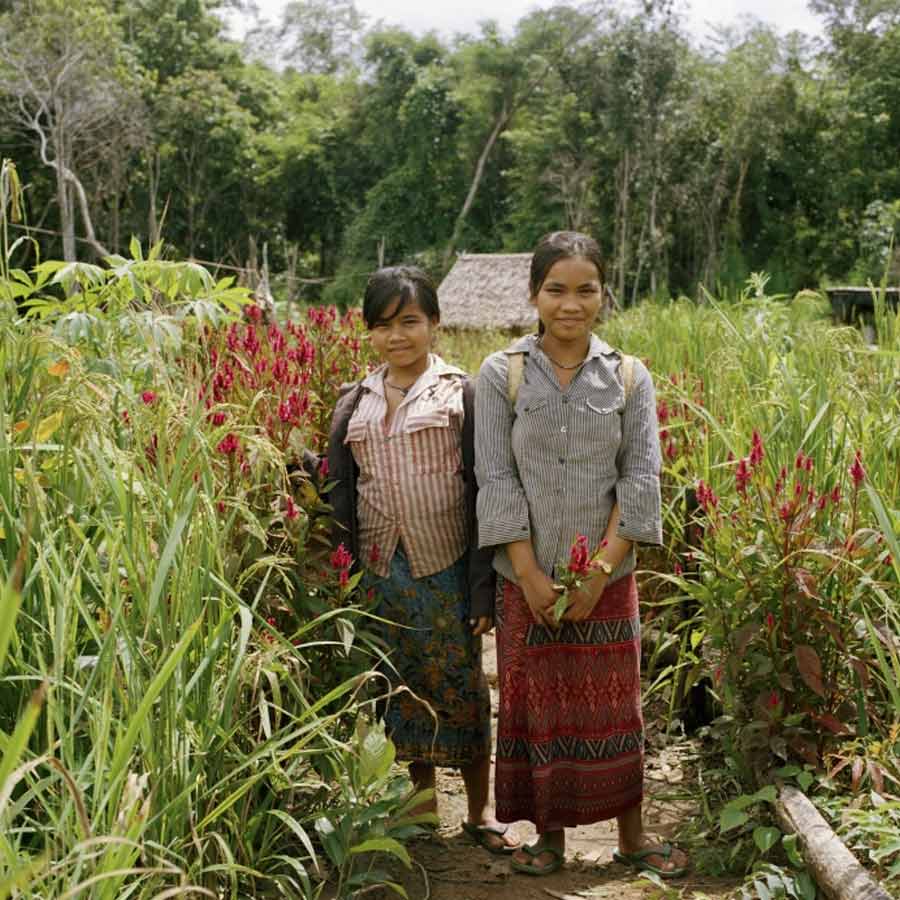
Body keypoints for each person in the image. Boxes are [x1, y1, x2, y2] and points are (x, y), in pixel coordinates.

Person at [474, 232, 688, 878]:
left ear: (603, 293)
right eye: (556, 290)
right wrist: (532, 572)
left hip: (608, 575)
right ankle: (551, 839)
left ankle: (631, 838)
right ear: (534, 294)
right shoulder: (501, 373)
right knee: (537, 706)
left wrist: (598, 570)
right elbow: (496, 476)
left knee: (614, 707)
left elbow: (641, 477)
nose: (571, 304)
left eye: (585, 289)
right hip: (525, 575)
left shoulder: (628, 374)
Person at [326, 265, 518, 854]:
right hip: (383, 572)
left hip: (448, 567)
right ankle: (421, 808)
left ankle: (480, 812)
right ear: (369, 334)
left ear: (434, 323)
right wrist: (345, 578)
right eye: (383, 326)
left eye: (409, 322)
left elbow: (489, 487)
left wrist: (484, 587)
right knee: (401, 689)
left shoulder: (462, 393)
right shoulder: (352, 403)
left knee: (461, 687)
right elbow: (340, 494)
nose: (397, 337)